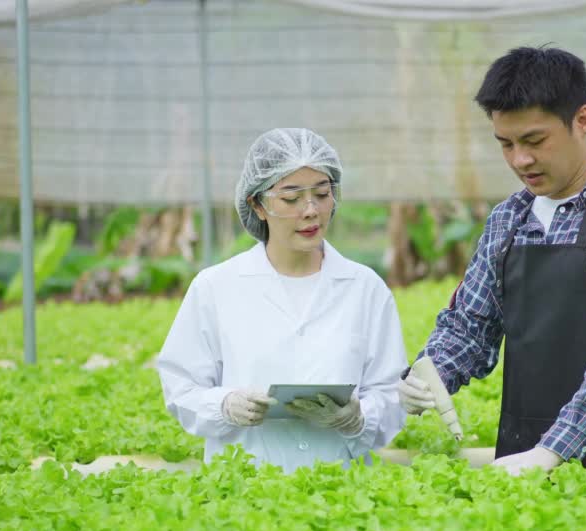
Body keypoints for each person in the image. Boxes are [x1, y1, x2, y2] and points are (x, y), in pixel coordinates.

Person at [397, 46, 586, 476]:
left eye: (534, 141)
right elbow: (470, 327)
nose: (520, 160)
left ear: (582, 120)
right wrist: (429, 372)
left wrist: (553, 451)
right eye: (506, 144)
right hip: (522, 456)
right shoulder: (507, 220)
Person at [157, 128, 407, 473]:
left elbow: (390, 393)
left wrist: (358, 418)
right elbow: (181, 387)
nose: (310, 211)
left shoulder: (366, 289)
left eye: (322, 194)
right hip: (244, 488)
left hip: (343, 492)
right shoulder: (215, 288)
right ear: (257, 205)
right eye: (291, 199)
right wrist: (224, 405)